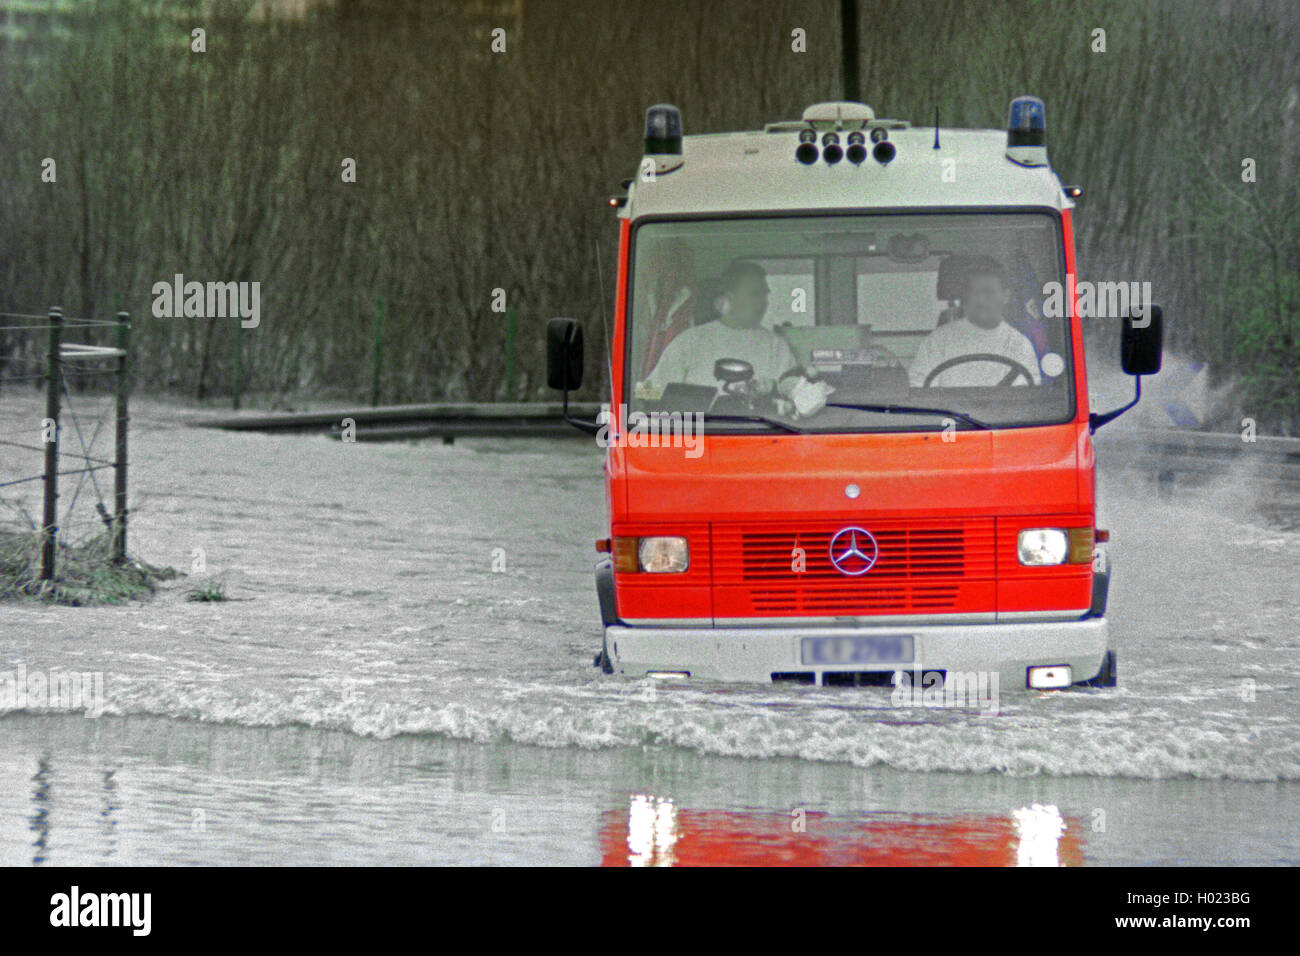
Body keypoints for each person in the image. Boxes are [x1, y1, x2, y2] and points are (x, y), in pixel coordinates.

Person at [644, 260, 802, 397]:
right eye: (755, 294)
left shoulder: (776, 346)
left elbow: (795, 393)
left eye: (765, 295)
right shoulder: (691, 341)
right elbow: (648, 391)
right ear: (731, 297)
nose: (764, 302)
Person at [909, 257, 1042, 387]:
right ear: (964, 296)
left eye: (988, 292)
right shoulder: (936, 342)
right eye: (973, 292)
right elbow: (918, 392)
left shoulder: (1020, 345)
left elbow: (1026, 399)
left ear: (1005, 296)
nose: (981, 300)